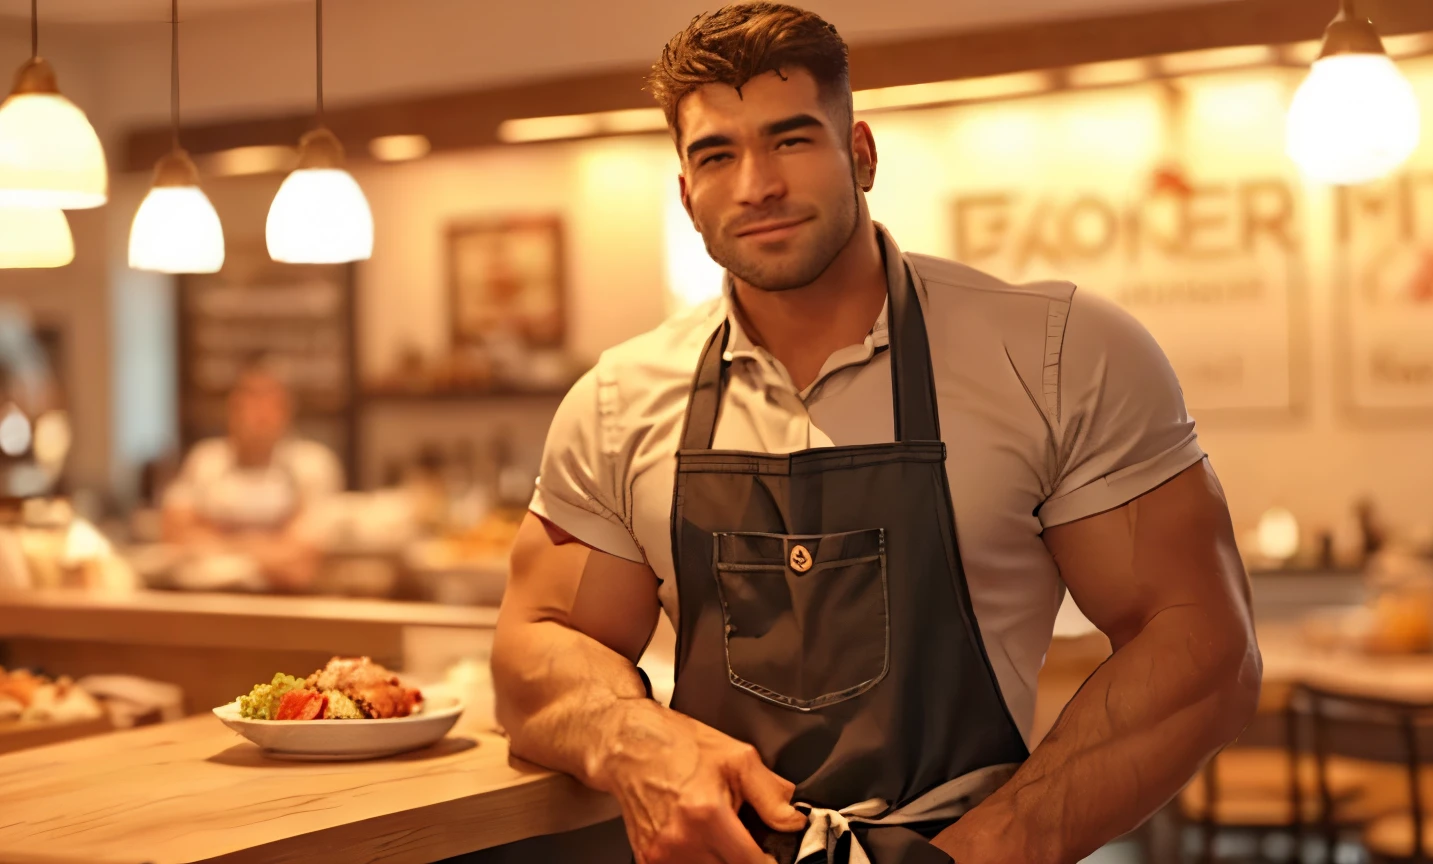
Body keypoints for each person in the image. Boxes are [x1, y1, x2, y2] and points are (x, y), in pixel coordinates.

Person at [491, 5, 1261, 863]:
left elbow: (1201, 646)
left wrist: (996, 845)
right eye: (716, 155)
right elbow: (534, 644)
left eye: (792, 140)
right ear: (685, 193)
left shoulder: (1056, 355)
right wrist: (642, 745)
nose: (756, 185)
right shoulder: (617, 401)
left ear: (860, 153)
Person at [161, 358, 343, 591]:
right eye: (249, 399)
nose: (259, 412)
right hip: (208, 601)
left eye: (270, 401)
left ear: (286, 410)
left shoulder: (312, 463)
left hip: (288, 602)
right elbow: (174, 536)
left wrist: (216, 544)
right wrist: (270, 547)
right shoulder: (205, 460)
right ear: (231, 406)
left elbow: (303, 556)